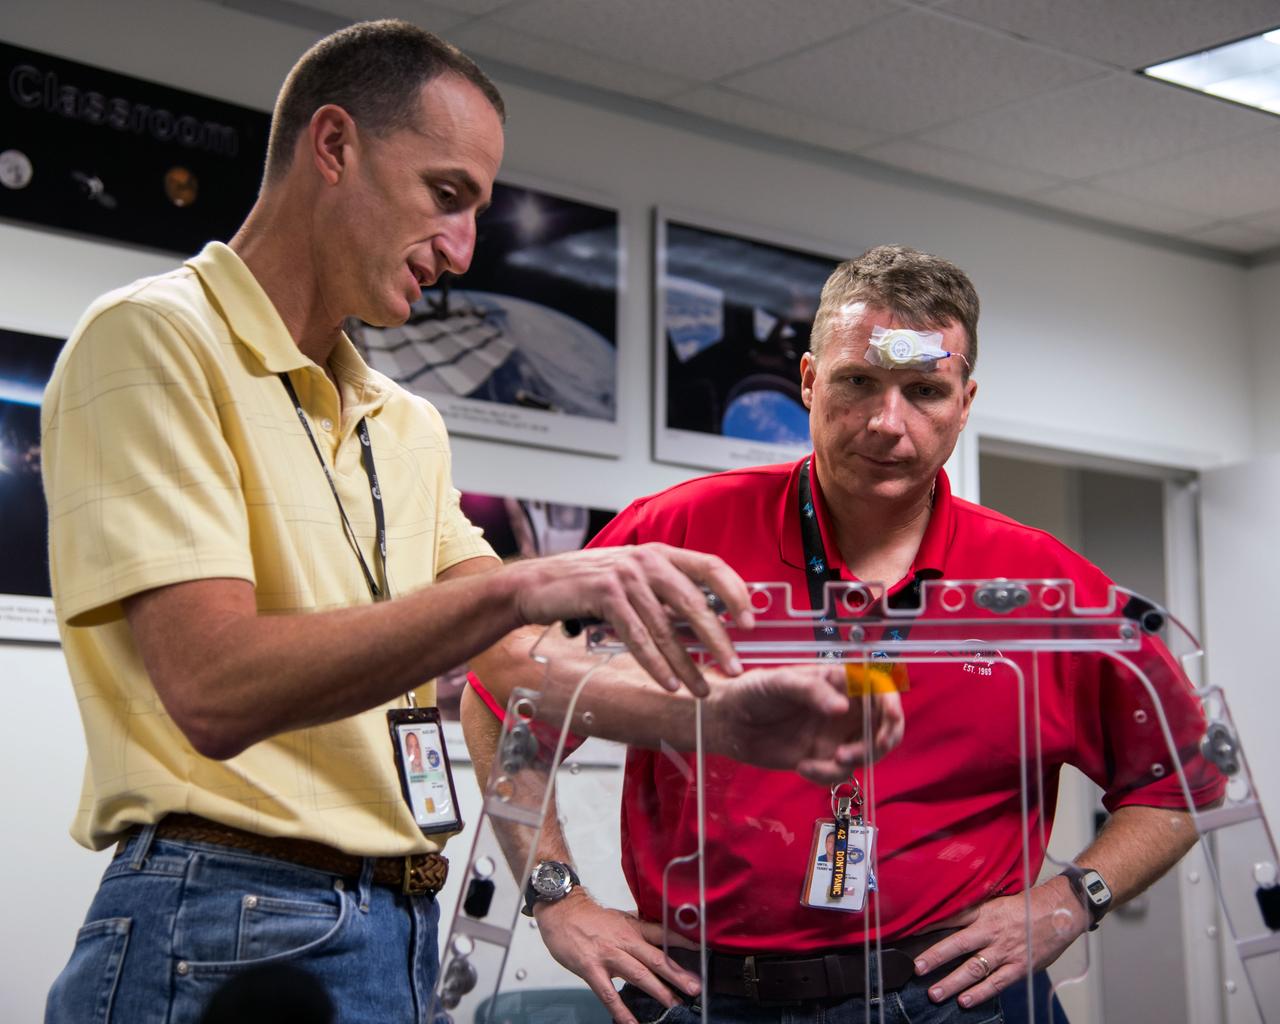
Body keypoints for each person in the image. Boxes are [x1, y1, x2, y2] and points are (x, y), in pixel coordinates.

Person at [37, 20, 849, 1024]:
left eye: (476, 212)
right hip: (225, 914)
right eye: (445, 195)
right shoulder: (154, 339)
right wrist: (530, 583)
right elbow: (213, 688)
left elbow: (512, 664)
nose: (462, 251)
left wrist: (715, 717)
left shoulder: (403, 421)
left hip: (395, 922)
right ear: (334, 146)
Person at [464, 245, 1223, 1024]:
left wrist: (1072, 898)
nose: (888, 424)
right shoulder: (678, 534)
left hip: (951, 998)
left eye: (925, 391)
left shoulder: (1042, 585)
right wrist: (556, 897)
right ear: (808, 380)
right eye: (859, 382)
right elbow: (500, 694)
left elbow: (1185, 782)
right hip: (705, 996)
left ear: (965, 402)